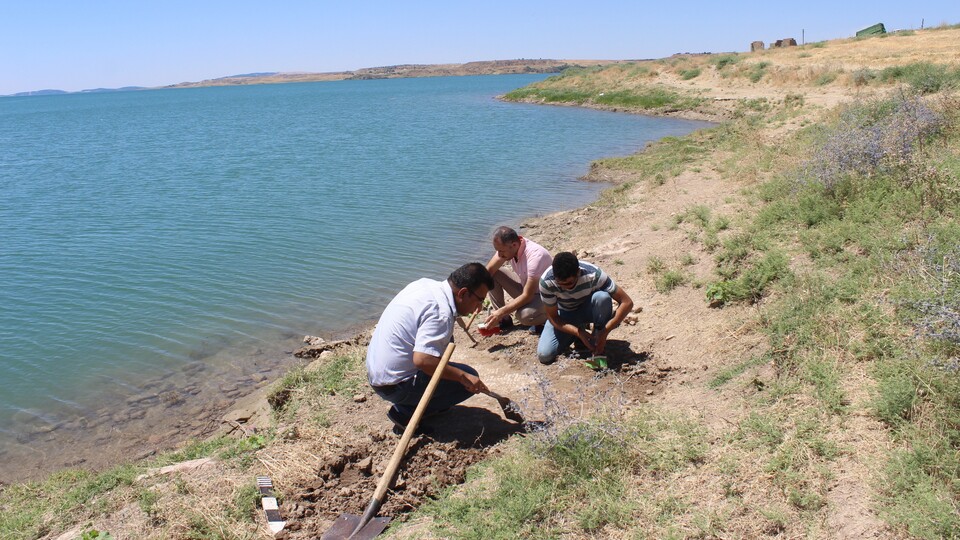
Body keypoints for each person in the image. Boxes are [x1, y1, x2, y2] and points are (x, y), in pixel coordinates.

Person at [366, 262, 494, 435]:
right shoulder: (441, 313)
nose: (479, 308)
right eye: (479, 300)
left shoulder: (425, 284)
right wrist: (463, 377)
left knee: (447, 345)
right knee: (468, 376)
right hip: (395, 385)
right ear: (463, 293)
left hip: (378, 375)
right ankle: (406, 412)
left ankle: (423, 401)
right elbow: (423, 360)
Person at [537, 251, 634, 365]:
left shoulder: (594, 274)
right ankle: (579, 335)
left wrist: (605, 331)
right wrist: (578, 332)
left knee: (602, 297)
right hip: (565, 314)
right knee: (545, 355)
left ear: (578, 272)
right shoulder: (547, 282)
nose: (565, 288)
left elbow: (627, 302)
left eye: (569, 283)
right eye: (560, 284)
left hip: (589, 310)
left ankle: (597, 340)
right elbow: (552, 316)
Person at [483, 226, 552, 333]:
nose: (499, 255)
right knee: (493, 275)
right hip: (527, 288)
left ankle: (550, 318)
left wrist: (501, 311)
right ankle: (503, 320)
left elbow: (527, 296)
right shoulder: (510, 248)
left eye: (501, 251)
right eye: (497, 251)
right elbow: (489, 271)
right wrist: (478, 299)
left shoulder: (536, 256)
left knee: (523, 316)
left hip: (545, 296)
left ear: (514, 245)